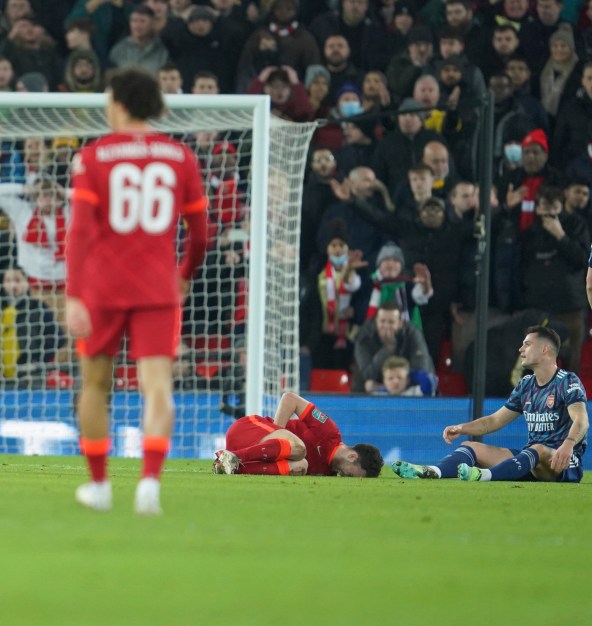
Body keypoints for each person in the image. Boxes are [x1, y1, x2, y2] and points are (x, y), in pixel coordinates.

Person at [66, 67, 209, 515]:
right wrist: (184, 273)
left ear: (121, 104)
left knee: (94, 384)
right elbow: (201, 233)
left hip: (102, 288)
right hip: (157, 288)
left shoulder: (94, 156)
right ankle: (149, 483)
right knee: (158, 387)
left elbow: (80, 234)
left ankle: (100, 486)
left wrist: (73, 294)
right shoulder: (180, 156)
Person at [393, 326, 588, 483]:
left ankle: (483, 475)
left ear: (545, 349)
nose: (520, 350)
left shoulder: (567, 381)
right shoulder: (526, 384)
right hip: (531, 461)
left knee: (538, 448)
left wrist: (568, 444)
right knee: (471, 446)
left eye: (527, 344)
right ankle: (432, 471)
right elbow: (495, 420)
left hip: (563, 463)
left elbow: (582, 421)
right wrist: (462, 428)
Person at [212, 392, 384, 477]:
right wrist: (277, 432)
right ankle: (232, 456)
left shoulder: (327, 472)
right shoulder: (329, 432)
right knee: (300, 451)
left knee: (301, 465)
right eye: (351, 475)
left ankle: (231, 467)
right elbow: (290, 399)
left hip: (256, 456)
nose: (346, 477)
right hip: (247, 430)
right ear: (353, 456)